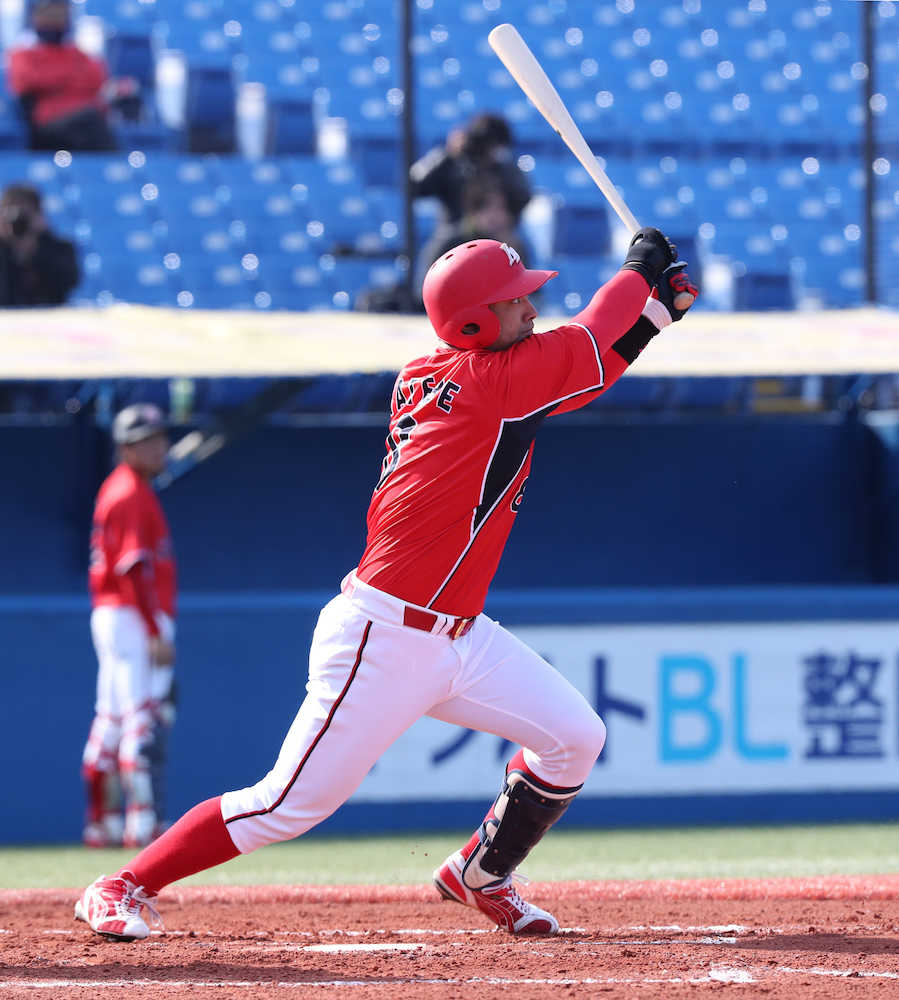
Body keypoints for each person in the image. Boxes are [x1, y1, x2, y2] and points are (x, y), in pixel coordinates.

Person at [74, 227, 698, 942]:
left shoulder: (451, 373)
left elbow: (578, 376)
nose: (531, 307)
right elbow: (586, 347)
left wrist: (649, 317)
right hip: (385, 635)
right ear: (472, 323)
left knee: (574, 738)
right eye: (514, 300)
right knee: (285, 806)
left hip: (460, 634)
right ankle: (120, 883)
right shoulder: (484, 383)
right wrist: (636, 277)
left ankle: (479, 874)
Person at [81, 403, 177, 850]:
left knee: (111, 720)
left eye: (159, 437)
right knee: (140, 719)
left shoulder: (119, 488)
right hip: (129, 613)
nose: (160, 447)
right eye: (148, 440)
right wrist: (154, 629)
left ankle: (99, 822)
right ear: (126, 447)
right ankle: (141, 822)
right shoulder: (130, 491)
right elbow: (134, 570)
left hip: (112, 613)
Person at [8, 0, 116, 151]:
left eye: (60, 13)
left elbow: (97, 78)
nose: (55, 19)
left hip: (84, 121)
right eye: (49, 13)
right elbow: (25, 82)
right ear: (35, 17)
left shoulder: (78, 54)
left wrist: (52, 80)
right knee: (92, 122)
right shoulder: (23, 54)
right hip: (47, 123)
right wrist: (71, 77)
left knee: (98, 123)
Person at [410, 112, 532, 227]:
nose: (485, 153)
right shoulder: (452, 163)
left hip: (496, 235)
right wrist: (449, 154)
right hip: (456, 234)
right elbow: (415, 187)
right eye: (482, 146)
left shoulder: (505, 167)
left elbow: (523, 196)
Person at [0, 183, 79, 306]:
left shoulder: (61, 248)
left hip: (49, 317)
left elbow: (68, 282)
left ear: (38, 214)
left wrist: (35, 248)